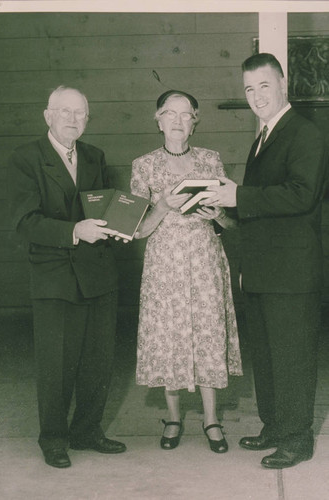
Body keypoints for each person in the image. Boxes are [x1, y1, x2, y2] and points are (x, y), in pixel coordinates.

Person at [202, 53, 327, 468]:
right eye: (249, 89)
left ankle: (297, 439)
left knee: (292, 357)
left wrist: (238, 195)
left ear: (283, 84)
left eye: (264, 86)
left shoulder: (305, 132)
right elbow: (261, 204)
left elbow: (301, 195)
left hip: (291, 273)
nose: (256, 96)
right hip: (262, 271)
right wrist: (222, 208)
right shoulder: (264, 136)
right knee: (270, 357)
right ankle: (275, 426)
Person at [8, 86, 127, 468]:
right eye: (65, 112)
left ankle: (88, 430)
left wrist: (119, 225)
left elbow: (101, 208)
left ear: (88, 119)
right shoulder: (26, 158)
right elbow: (25, 223)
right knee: (56, 364)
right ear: (48, 116)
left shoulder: (95, 155)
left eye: (81, 113)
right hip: (54, 276)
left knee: (98, 360)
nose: (73, 120)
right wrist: (75, 231)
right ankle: (54, 438)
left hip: (98, 273)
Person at [130, 90, 243, 453]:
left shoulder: (211, 161)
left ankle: (211, 420)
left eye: (186, 114)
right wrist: (162, 204)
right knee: (171, 335)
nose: (177, 121)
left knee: (207, 333)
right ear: (158, 119)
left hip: (205, 258)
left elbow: (232, 223)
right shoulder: (143, 166)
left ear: (195, 122)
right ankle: (174, 417)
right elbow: (139, 230)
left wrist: (219, 216)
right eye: (169, 113)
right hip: (165, 263)